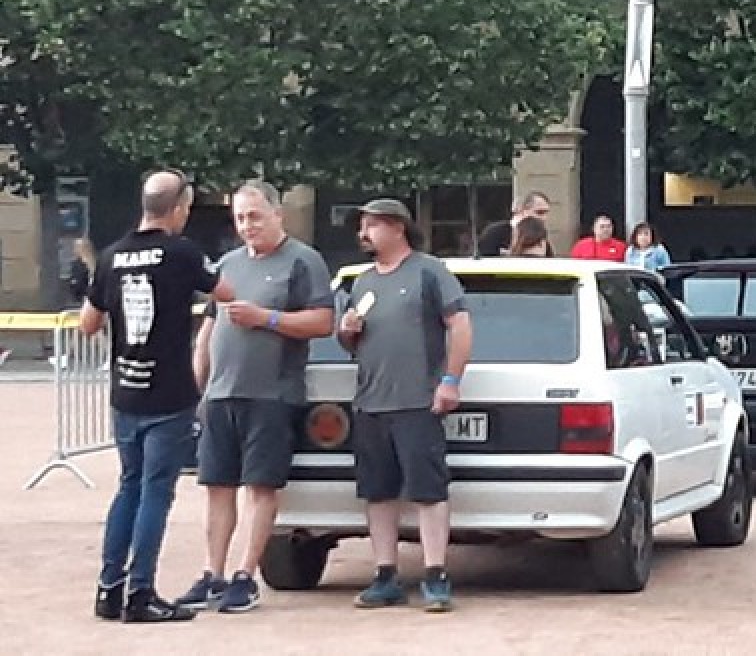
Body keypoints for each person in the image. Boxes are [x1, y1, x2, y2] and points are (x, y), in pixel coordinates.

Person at [83, 169, 235, 623]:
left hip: (125, 391)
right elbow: (225, 293)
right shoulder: (182, 253)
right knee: (155, 492)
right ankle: (141, 592)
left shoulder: (111, 256)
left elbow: (87, 324)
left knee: (128, 487)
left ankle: (109, 588)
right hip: (168, 393)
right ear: (179, 208)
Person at [176, 181, 335, 613]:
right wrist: (200, 386)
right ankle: (213, 573)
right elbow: (210, 325)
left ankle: (246, 574)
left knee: (261, 486)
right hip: (221, 394)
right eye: (241, 218)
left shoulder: (303, 261)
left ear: (277, 215)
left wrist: (267, 318)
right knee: (216, 485)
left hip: (272, 394)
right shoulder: (227, 264)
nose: (248, 226)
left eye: (255, 216)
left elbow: (323, 322)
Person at [337, 199, 473, 612]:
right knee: (377, 493)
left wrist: (450, 380)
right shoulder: (360, 283)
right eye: (362, 226)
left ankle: (435, 574)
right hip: (370, 403)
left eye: (372, 225)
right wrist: (346, 331)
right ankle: (385, 575)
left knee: (428, 491)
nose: (364, 233)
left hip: (417, 401)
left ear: (397, 228)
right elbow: (350, 345)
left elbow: (461, 325)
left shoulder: (429, 271)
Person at [476, 191, 552, 257]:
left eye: (546, 213)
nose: (544, 218)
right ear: (522, 211)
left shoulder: (542, 239)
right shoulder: (494, 233)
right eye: (539, 212)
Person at [69, 237, 96, 302]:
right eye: (76, 247)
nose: (75, 250)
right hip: (81, 299)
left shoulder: (100, 262)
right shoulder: (76, 265)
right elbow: (75, 283)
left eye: (84, 247)